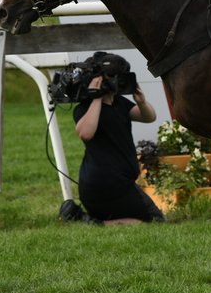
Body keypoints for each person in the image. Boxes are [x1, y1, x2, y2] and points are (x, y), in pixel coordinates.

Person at [64, 53, 165, 226]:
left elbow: (149, 117)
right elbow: (85, 133)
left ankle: (91, 219)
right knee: (151, 221)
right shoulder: (85, 109)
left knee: (156, 218)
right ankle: (91, 222)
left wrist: (141, 101)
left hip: (122, 183)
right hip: (102, 185)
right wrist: (96, 98)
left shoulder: (119, 103)